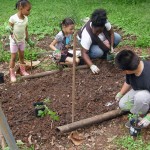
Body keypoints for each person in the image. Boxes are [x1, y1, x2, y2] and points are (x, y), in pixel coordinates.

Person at [77, 9, 121, 74]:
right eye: (95, 30)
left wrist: (111, 46)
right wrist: (91, 65)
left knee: (117, 37)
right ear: (92, 26)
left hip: (99, 39)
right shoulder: (86, 35)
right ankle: (98, 55)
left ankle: (106, 54)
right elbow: (84, 53)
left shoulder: (106, 24)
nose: (96, 33)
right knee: (98, 52)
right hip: (87, 43)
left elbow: (111, 33)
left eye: (99, 31)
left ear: (103, 27)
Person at [115, 49, 150, 128]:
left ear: (126, 71)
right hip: (140, 90)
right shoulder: (132, 68)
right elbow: (128, 82)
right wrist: (120, 93)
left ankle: (138, 115)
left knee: (141, 98)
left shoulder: (148, 75)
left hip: (145, 95)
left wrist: (149, 117)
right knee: (123, 104)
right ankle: (142, 106)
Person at [6, 0, 34, 82]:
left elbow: (25, 30)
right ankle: (12, 73)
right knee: (13, 57)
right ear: (21, 8)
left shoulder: (26, 19)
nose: (29, 12)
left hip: (22, 40)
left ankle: (22, 71)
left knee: (22, 56)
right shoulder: (13, 18)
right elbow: (9, 27)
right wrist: (8, 29)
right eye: (28, 10)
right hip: (14, 41)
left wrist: (28, 40)